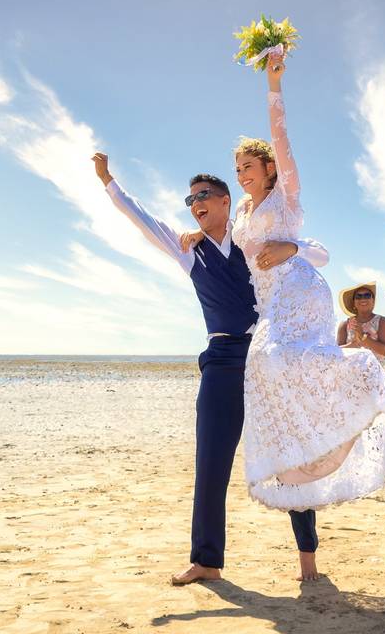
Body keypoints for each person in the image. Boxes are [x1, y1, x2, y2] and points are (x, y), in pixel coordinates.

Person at [182, 52, 385, 512]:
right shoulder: (243, 215)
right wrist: (195, 231)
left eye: (249, 166)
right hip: (269, 302)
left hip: (300, 289)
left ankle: (365, 374)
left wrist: (274, 86)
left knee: (272, 358)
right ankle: (305, 453)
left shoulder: (284, 197)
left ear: (268, 169)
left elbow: (282, 141)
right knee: (267, 367)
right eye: (237, 170)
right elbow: (224, 241)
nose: (242, 174)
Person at [92, 153, 329, 584]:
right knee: (211, 463)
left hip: (265, 357)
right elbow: (143, 220)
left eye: (204, 196)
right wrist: (110, 182)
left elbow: (312, 251)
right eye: (190, 199)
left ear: (225, 202)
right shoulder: (190, 252)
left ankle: (308, 559)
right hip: (220, 361)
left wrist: (290, 248)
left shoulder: (251, 243)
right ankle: (207, 561)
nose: (196, 203)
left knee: (289, 457)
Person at [337, 282, 385, 368]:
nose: (363, 299)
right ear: (354, 303)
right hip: (350, 375)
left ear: (373, 301)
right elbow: (336, 353)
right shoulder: (344, 325)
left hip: (375, 375)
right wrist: (352, 345)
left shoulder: (382, 322)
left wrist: (363, 336)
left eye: (367, 295)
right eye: (358, 297)